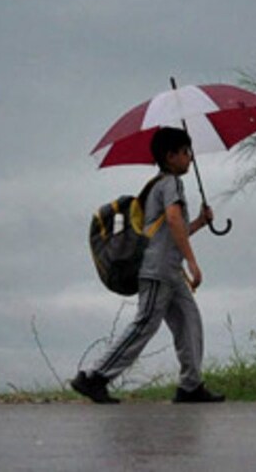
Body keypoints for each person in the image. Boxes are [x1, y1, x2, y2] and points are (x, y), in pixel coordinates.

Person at [71, 126, 225, 404]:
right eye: (185, 152)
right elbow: (174, 220)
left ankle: (191, 385)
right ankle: (94, 377)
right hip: (157, 270)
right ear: (170, 156)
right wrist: (192, 261)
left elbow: (171, 231)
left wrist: (201, 223)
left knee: (190, 321)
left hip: (170, 271)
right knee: (144, 324)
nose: (190, 157)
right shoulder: (171, 184)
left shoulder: (162, 186)